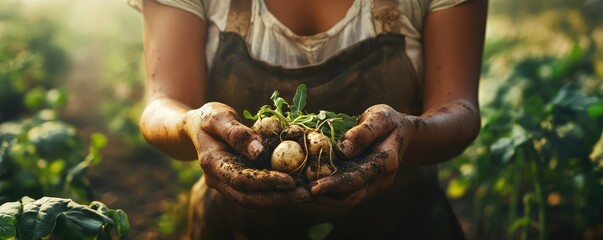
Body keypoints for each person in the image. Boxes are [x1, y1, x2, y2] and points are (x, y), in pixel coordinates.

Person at [129, 0, 487, 239]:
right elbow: (163, 103)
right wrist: (192, 124)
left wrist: (408, 133)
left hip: (403, 223)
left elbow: (460, 110)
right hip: (235, 227)